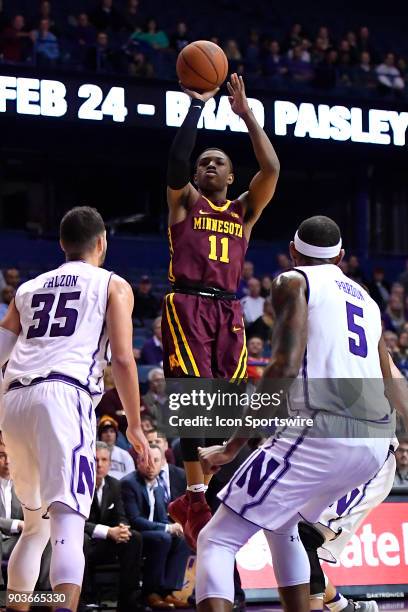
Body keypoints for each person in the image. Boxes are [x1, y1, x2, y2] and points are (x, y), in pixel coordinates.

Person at [196, 215, 392, 612]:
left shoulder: (293, 281)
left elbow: (282, 366)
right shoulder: (368, 301)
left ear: (292, 252)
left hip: (323, 431)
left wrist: (232, 447)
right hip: (372, 444)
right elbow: (390, 379)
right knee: (284, 523)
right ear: (340, 257)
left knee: (216, 540)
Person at [0, 206, 149, 612]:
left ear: (62, 245)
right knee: (67, 521)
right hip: (64, 396)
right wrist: (134, 425)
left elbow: (1, 352)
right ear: (102, 242)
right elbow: (122, 359)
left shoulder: (27, 288)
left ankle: (18, 605)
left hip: (13, 399)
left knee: (35, 527)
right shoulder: (112, 284)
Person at [163, 73, 280, 548]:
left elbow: (271, 169)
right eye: (204, 163)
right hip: (188, 302)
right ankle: (194, 495)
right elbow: (174, 162)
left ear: (231, 177)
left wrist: (247, 115)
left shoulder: (243, 212)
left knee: (225, 416)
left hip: (228, 312)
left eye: (219, 163)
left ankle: (201, 494)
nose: (209, 166)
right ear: (197, 176)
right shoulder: (185, 202)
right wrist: (197, 106)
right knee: (193, 398)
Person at [121, 446, 191, 609]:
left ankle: (167, 592)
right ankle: (150, 593)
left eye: (156, 460)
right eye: (146, 460)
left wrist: (176, 527)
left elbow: (161, 517)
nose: (151, 465)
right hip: (134, 535)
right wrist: (167, 528)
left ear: (163, 463)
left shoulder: (158, 485)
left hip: (154, 534)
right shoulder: (129, 483)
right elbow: (135, 519)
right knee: (163, 537)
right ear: (138, 462)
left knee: (182, 538)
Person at [82, 442, 143, 612]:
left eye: (104, 460)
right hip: (84, 540)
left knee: (134, 537)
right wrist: (108, 531)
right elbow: (76, 522)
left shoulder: (115, 485)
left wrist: (122, 528)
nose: (99, 464)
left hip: (104, 543)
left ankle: (128, 601)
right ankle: (85, 599)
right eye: (95, 460)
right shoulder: (78, 485)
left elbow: (121, 515)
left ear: (110, 463)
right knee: (82, 541)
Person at [0, 441, 51, 591]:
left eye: (10, 456)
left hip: (16, 540)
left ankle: (44, 594)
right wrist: (17, 524)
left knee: (46, 536)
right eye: (2, 456)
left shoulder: (24, 483)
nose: (8, 461)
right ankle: (1, 593)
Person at [98, 415, 135, 479]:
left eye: (112, 431)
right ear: (100, 435)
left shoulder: (125, 455)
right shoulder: (94, 454)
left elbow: (131, 478)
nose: (109, 434)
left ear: (116, 435)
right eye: (105, 431)